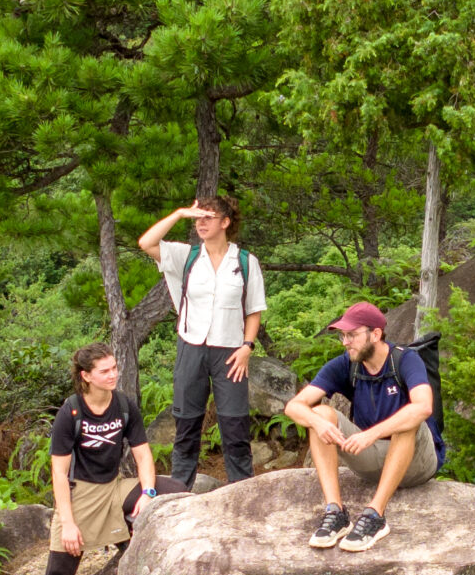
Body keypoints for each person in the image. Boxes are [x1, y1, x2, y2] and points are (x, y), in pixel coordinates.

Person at [33, 341, 185, 575]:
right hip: (80, 495)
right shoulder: (71, 412)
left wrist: (149, 493)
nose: (113, 374)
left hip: (113, 488)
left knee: (174, 488)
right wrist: (68, 523)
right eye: (104, 371)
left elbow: (143, 455)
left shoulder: (124, 406)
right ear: (86, 376)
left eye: (114, 368)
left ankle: (133, 541)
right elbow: (59, 472)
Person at [284, 302, 446, 552]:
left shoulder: (405, 360)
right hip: (372, 459)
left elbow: (423, 407)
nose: (345, 342)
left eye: (352, 335)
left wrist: (372, 433)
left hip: (417, 462)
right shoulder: (346, 365)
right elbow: (294, 406)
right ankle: (335, 512)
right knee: (319, 413)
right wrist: (317, 422)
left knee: (408, 419)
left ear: (376, 334)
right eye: (343, 335)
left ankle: (375, 515)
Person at [139, 194, 267, 487]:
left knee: (234, 426)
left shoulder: (245, 262)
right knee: (186, 424)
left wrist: (247, 347)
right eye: (198, 218)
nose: (201, 223)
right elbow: (146, 243)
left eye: (208, 218)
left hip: (231, 352)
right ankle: (178, 492)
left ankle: (243, 491)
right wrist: (179, 213)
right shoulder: (187, 256)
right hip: (191, 347)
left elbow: (254, 310)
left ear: (225, 222)